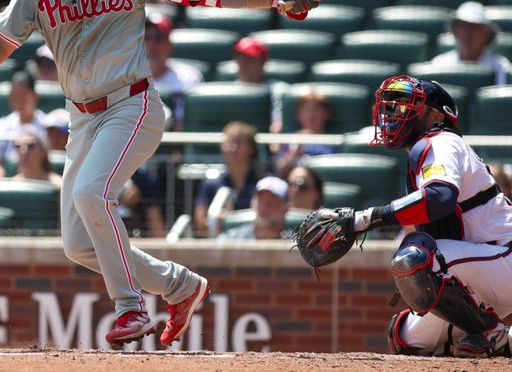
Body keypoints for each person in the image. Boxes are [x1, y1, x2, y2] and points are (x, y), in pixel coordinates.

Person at [0, 0, 315, 347]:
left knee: (92, 193)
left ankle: (129, 308)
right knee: (78, 244)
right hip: (81, 117)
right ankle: (180, 285)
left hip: (131, 103)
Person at [332, 74, 512, 357]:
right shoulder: (424, 150)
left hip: (503, 258)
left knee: (416, 257)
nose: (394, 112)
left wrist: (364, 219)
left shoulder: (441, 141)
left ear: (437, 113)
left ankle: (491, 331)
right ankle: (500, 338)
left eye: (407, 105)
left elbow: (439, 197)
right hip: (479, 272)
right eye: (393, 106)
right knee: (405, 336)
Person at [194, 121, 264, 237]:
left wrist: (230, 221)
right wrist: (215, 222)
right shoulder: (210, 183)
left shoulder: (263, 183)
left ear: (251, 148)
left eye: (239, 142)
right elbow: (200, 224)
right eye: (230, 142)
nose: (233, 148)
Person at [0, 70, 46, 179]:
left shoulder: (48, 125)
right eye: (15, 96)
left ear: (35, 96)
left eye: (23, 96)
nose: (19, 101)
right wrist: (1, 177)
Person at [144, 12, 203, 131]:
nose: (152, 45)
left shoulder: (189, 77)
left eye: (158, 37)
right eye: (147, 37)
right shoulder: (127, 78)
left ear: (170, 44)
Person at [430, 1, 511, 86]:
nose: (467, 33)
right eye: (463, 26)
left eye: (474, 27)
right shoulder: (439, 64)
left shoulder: (500, 67)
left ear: (486, 33)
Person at [273, 90, 339, 178]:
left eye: (316, 109)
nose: (311, 115)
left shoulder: (335, 141)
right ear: (298, 115)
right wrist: (296, 148)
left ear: (327, 113)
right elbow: (281, 172)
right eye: (306, 109)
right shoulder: (288, 141)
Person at [218, 176, 289, 240]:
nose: (264, 207)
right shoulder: (231, 241)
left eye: (271, 202)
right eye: (260, 200)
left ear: (285, 208)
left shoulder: (295, 245)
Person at [11, 125, 62, 189]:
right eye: (18, 146)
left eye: (30, 146)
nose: (23, 151)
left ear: (43, 152)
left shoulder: (59, 186)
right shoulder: (11, 186)